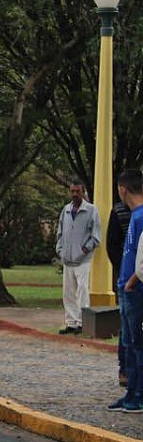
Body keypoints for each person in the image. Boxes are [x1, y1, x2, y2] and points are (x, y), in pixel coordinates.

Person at [109, 168, 143, 413]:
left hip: (134, 288)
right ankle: (131, 391)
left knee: (136, 343)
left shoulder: (140, 216)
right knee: (129, 344)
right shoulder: (134, 215)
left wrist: (131, 280)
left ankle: (138, 394)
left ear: (123, 189)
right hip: (126, 286)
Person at [56, 179, 101, 335]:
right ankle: (71, 322)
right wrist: (60, 250)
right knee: (68, 293)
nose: (75, 194)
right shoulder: (66, 210)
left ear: (83, 192)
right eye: (72, 191)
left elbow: (96, 236)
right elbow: (60, 233)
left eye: (78, 191)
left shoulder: (91, 210)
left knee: (82, 291)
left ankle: (82, 322)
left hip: (83, 260)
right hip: (68, 259)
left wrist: (84, 249)